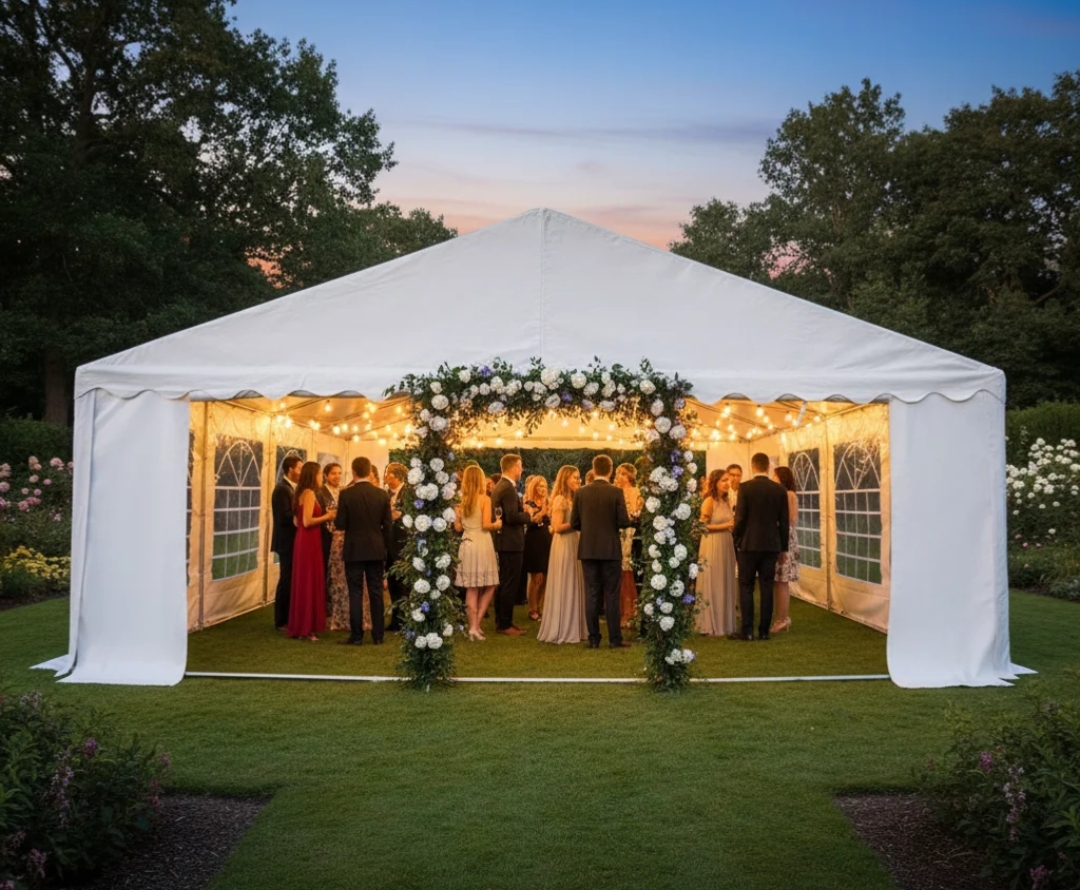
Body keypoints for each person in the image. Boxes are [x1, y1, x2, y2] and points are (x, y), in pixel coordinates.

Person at [571, 454, 633, 648]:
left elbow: (574, 523)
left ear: (594, 468)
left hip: (588, 549)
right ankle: (615, 639)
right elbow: (624, 521)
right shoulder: (616, 492)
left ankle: (593, 639)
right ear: (610, 469)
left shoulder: (581, 492)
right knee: (612, 594)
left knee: (591, 594)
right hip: (610, 550)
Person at [334, 456, 393, 645]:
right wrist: (385, 547)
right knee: (376, 592)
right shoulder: (382, 495)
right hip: (376, 548)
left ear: (353, 472)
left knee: (355, 592)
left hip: (354, 549)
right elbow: (388, 525)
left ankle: (357, 635)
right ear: (369, 471)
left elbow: (340, 524)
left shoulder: (346, 494)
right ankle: (378, 635)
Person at [732, 453, 789, 641]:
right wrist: (783, 548)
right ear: (768, 467)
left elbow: (740, 518)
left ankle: (747, 630)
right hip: (771, 545)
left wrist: (736, 538)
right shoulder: (779, 490)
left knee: (746, 586)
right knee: (766, 587)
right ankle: (764, 631)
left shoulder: (745, 488)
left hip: (748, 545)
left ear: (752, 466)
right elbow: (784, 522)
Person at [537, 466, 588, 644]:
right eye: (575, 477)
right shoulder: (560, 500)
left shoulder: (574, 499)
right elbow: (557, 527)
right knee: (566, 580)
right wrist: (578, 522)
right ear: (565, 479)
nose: (578, 480)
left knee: (575, 581)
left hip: (575, 541)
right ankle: (563, 627)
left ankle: (575, 625)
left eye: (579, 477)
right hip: (565, 544)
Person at [288, 462, 336, 640]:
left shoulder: (301, 493)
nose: (321, 477)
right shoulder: (308, 493)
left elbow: (297, 521)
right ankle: (306, 628)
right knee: (308, 582)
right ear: (313, 475)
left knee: (305, 581)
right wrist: (327, 516)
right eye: (319, 474)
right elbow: (307, 521)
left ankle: (303, 625)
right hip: (308, 540)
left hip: (305, 539)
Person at [454, 465, 502, 640]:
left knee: (472, 587)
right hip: (482, 542)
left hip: (467, 542)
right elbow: (486, 525)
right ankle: (475, 625)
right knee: (490, 584)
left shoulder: (461, 501)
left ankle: (474, 626)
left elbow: (458, 528)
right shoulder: (485, 499)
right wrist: (497, 524)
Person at [491, 455, 530, 635]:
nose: (522, 470)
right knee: (509, 583)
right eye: (520, 466)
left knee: (505, 582)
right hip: (511, 542)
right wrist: (528, 515)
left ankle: (503, 620)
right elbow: (512, 517)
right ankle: (504, 623)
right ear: (514, 467)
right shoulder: (507, 488)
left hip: (505, 541)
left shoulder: (501, 486)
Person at [695, 470, 737, 636]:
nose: (727, 483)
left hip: (726, 543)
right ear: (715, 483)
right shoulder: (709, 501)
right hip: (712, 544)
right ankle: (710, 623)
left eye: (728, 480)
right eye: (723, 480)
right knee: (713, 580)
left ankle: (725, 621)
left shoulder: (726, 501)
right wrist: (725, 526)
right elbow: (701, 527)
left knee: (725, 579)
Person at [271, 455, 303, 630]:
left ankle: (289, 616)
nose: (301, 472)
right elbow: (284, 516)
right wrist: (303, 515)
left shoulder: (291, 488)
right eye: (299, 468)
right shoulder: (282, 489)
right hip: (286, 541)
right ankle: (281, 620)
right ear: (290, 469)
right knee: (286, 579)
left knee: (290, 579)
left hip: (291, 541)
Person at [771, 466, 800, 634]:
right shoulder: (785, 494)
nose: (772, 478)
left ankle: (782, 619)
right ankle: (781, 617)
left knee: (782, 580)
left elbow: (789, 520)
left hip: (785, 539)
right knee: (779, 580)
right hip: (783, 537)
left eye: (774, 476)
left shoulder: (788, 495)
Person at [614, 463, 643, 629]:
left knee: (628, 571)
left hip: (630, 534)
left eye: (623, 474)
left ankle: (630, 611)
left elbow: (637, 513)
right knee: (617, 572)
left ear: (630, 476)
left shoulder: (636, 491)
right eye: (618, 473)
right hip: (616, 533)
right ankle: (618, 611)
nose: (619, 477)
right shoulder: (614, 492)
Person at [522, 475, 552, 621]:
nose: (542, 489)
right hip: (535, 540)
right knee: (537, 576)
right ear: (534, 487)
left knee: (546, 576)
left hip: (547, 539)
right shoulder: (528, 503)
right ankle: (532, 608)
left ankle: (541, 606)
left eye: (544, 486)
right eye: (539, 486)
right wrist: (543, 511)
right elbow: (532, 519)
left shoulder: (549, 502)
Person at [384, 462, 409, 632]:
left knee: (403, 584)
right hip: (388, 543)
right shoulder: (385, 494)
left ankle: (405, 619)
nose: (386, 478)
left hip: (402, 542)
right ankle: (395, 619)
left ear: (398, 477)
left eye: (389, 475)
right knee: (392, 582)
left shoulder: (408, 493)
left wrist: (400, 516)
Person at [316, 463, 342, 581]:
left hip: (340, 535)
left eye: (339, 473)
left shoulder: (343, 491)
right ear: (326, 475)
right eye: (333, 473)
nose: (337, 476)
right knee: (325, 566)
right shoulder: (320, 491)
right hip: (325, 534)